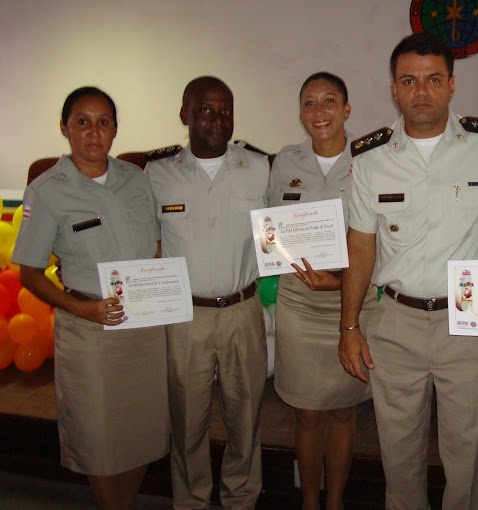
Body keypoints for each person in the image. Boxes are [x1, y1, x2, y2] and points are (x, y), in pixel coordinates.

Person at [339, 33, 478, 510]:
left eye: (434, 79)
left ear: (452, 86)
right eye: (410, 81)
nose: (422, 91)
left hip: (467, 322)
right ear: (393, 89)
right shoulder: (370, 157)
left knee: (466, 452)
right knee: (398, 452)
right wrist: (350, 325)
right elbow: (360, 245)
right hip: (395, 322)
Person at [12, 86, 169, 510]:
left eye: (103, 122)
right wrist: (82, 307)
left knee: (142, 431)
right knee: (98, 436)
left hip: (143, 327)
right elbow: (29, 272)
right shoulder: (47, 191)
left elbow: (156, 243)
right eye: (82, 121)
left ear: (115, 129)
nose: (94, 132)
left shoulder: (136, 181)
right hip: (88, 332)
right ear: (65, 128)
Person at [145, 76, 269, 510]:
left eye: (225, 111)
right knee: (187, 423)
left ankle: (241, 499)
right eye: (206, 110)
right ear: (185, 114)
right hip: (185, 317)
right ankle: (192, 501)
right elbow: (144, 240)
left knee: (247, 419)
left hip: (242, 311)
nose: (217, 119)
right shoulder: (157, 173)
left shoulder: (259, 168)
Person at [268, 72, 378, 510]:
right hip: (299, 302)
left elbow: (383, 239)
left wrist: (338, 281)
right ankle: (309, 502)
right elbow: (272, 228)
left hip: (351, 303)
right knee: (307, 413)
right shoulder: (285, 161)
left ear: (347, 110)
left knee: (344, 411)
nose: (320, 112)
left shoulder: (372, 160)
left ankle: (335, 502)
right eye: (310, 103)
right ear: (300, 113)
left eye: (330, 101)